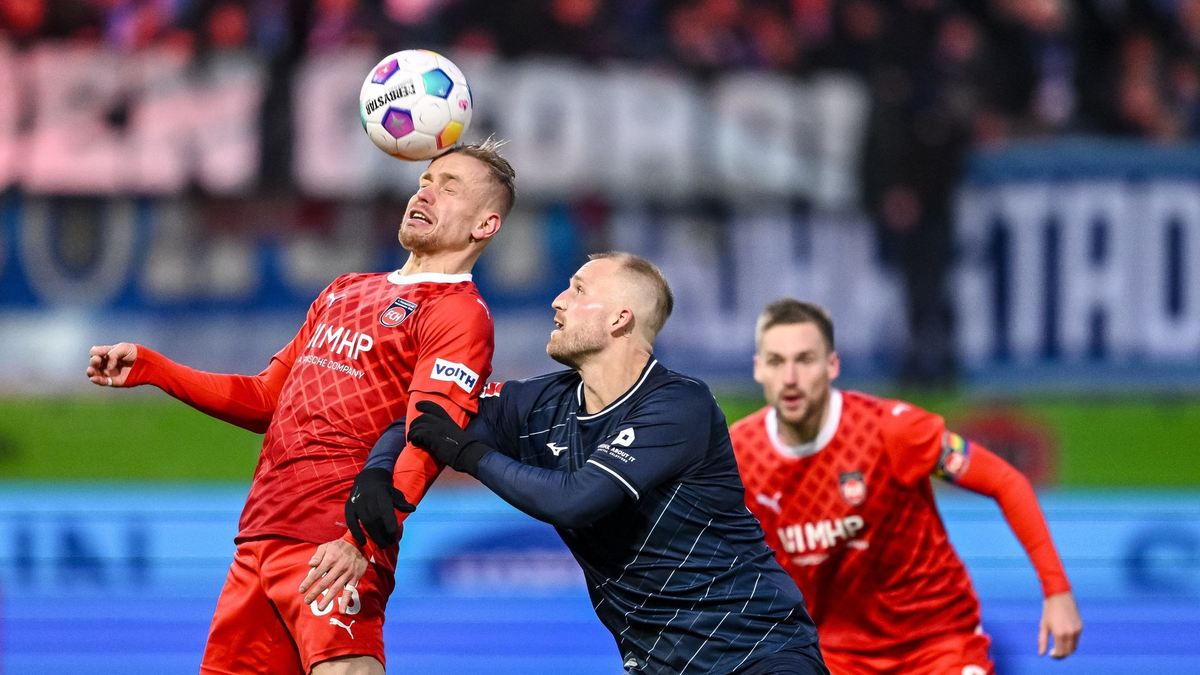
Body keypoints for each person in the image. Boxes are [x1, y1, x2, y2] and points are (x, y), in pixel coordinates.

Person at [84, 140, 516, 675]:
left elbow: (429, 433)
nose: (424, 192)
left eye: (449, 187)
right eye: (425, 180)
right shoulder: (346, 290)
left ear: (485, 225)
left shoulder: (457, 313)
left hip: (333, 542)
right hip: (259, 537)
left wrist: (360, 538)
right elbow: (269, 398)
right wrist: (155, 369)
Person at [351, 252, 828, 675]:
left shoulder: (680, 404)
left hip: (758, 652)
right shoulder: (539, 404)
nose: (558, 300)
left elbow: (579, 500)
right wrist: (377, 471)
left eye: (578, 290)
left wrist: (468, 455)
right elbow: (429, 415)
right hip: (659, 664)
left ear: (621, 318)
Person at [729, 298, 1084, 675]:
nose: (790, 378)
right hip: (832, 655)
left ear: (832, 365)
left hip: (937, 642)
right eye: (776, 361)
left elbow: (1006, 481)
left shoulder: (891, 430)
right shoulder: (736, 456)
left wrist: (1057, 591)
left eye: (804, 359)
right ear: (758, 370)